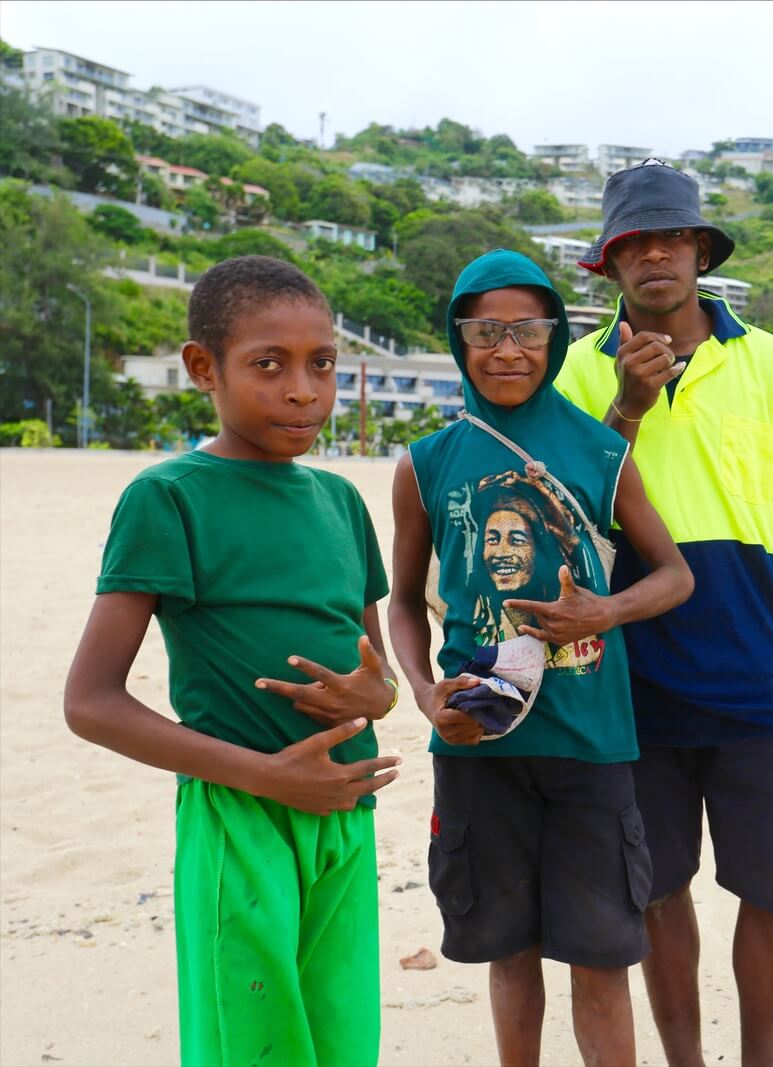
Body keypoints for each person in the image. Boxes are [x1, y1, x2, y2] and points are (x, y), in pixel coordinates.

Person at [63, 255, 403, 1066]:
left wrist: (376, 695)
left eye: (321, 363)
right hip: (238, 816)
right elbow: (90, 701)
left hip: (345, 818)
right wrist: (263, 774)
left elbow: (381, 678)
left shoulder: (340, 502)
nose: (302, 389)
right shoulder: (171, 496)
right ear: (201, 367)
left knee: (341, 1041)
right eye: (268, 364)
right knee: (251, 1041)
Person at [556, 160, 773, 1066]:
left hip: (759, 667)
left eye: (672, 238)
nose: (655, 255)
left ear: (699, 252)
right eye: (633, 243)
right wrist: (631, 405)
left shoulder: (770, 366)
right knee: (658, 888)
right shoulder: (573, 371)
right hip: (630, 679)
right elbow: (565, 513)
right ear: (609, 264)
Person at [387, 249, 694, 1065]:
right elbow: (404, 602)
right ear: (459, 340)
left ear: (555, 337)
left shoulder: (600, 450)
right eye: (484, 331)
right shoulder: (426, 461)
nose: (506, 349)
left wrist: (603, 610)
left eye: (526, 330)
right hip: (477, 741)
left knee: (601, 958)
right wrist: (423, 693)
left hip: (590, 741)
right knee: (507, 954)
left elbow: (674, 575)